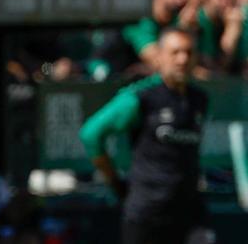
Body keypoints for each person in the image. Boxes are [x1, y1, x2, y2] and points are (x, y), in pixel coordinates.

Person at [79, 29, 208, 244]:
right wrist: (114, 181)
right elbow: (91, 134)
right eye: (175, 53)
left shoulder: (199, 99)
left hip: (189, 210)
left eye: (188, 52)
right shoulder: (140, 97)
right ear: (160, 57)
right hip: (148, 211)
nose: (182, 59)